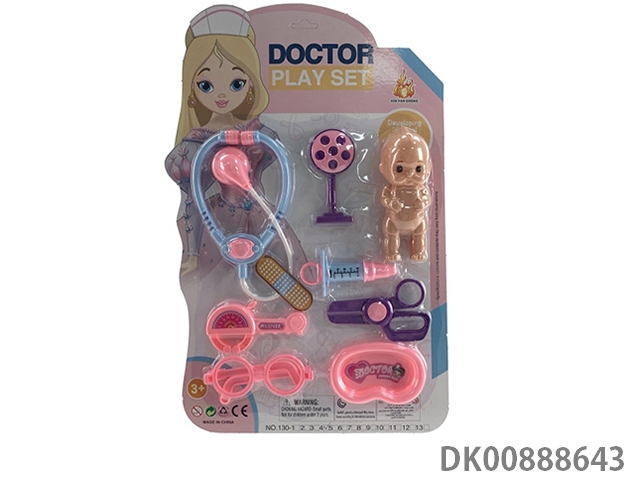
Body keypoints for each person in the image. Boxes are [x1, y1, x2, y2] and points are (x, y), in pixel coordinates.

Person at [166, 6, 303, 284]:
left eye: (236, 83)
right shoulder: (193, 146)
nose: (221, 95)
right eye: (206, 85)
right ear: (191, 89)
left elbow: (280, 163)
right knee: (218, 283)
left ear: (251, 84)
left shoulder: (261, 135)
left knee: (290, 274)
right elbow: (192, 202)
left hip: (263, 220)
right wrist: (191, 253)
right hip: (219, 226)